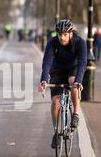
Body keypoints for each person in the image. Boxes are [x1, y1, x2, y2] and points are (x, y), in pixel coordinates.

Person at [37, 19, 87, 148]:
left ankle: (76, 113)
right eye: (60, 34)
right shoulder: (52, 43)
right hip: (57, 70)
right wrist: (44, 79)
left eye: (65, 34)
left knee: (72, 82)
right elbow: (47, 62)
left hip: (73, 68)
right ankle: (57, 131)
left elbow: (82, 63)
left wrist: (78, 81)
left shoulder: (80, 42)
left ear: (71, 33)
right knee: (55, 102)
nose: (62, 37)